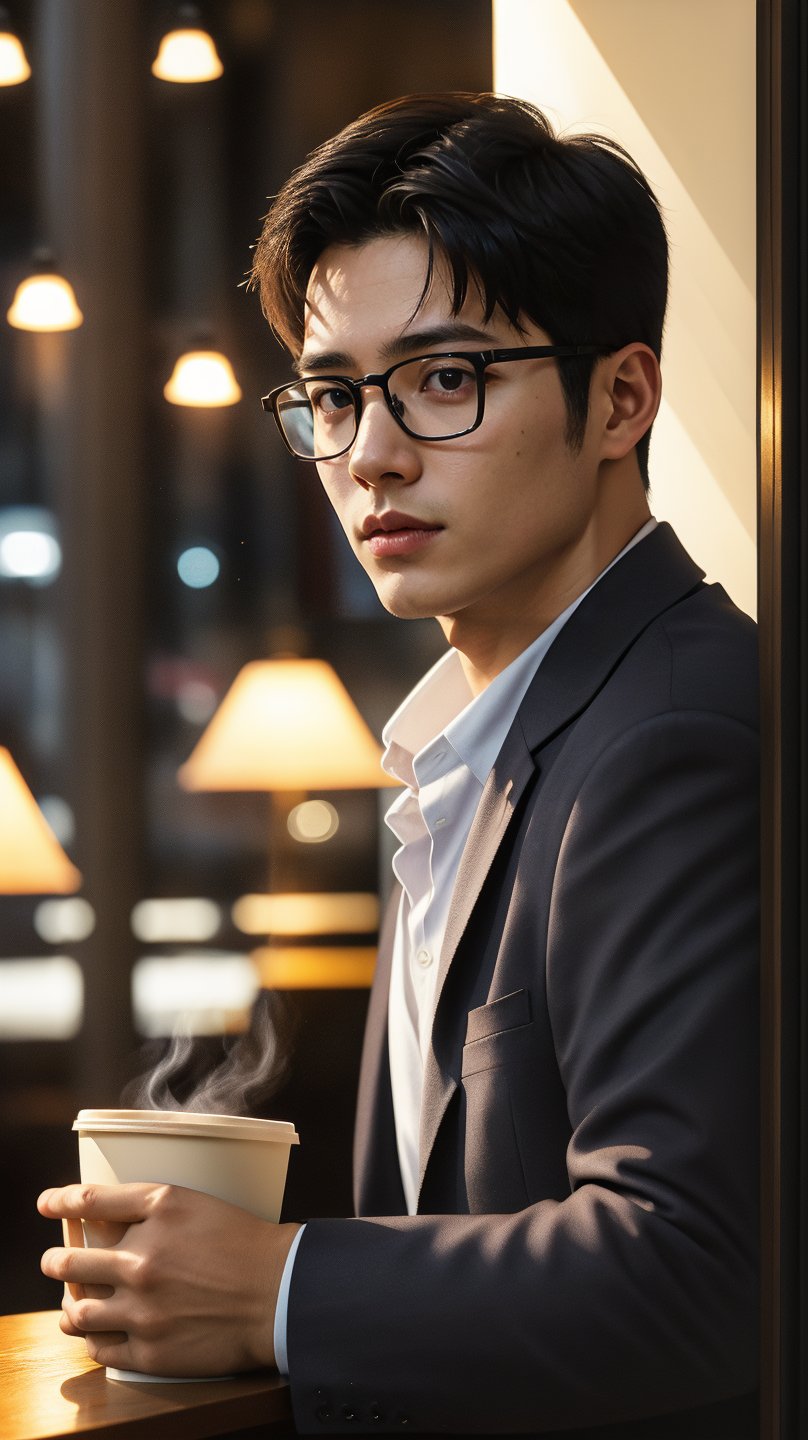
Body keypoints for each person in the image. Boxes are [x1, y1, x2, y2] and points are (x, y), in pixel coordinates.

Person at [39, 93, 759, 1437]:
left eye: (444, 380)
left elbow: (696, 1270)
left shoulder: (677, 734)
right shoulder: (466, 744)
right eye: (331, 395)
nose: (369, 455)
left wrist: (280, 1283)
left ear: (621, 398)